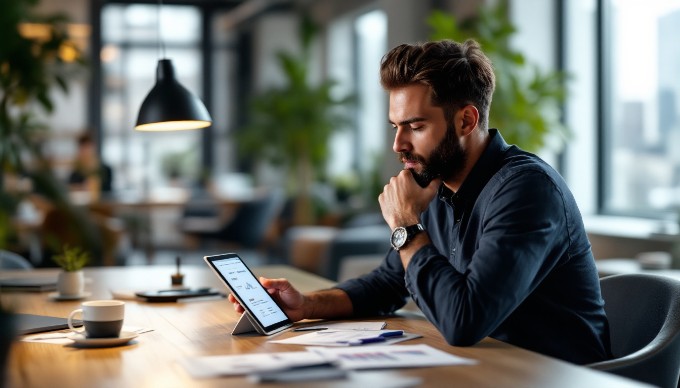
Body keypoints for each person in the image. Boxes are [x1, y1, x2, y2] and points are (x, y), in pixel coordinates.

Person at [229, 39, 612, 365]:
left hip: (552, 375)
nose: (399, 145)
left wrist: (406, 226)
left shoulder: (527, 190)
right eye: (396, 127)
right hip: (482, 367)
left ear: (465, 121)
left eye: (416, 126)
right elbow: (386, 284)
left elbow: (465, 321)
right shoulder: (438, 187)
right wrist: (305, 305)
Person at [68, 132, 113, 198]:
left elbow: (108, 191)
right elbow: (71, 189)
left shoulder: (106, 169)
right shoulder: (76, 172)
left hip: (103, 205)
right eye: (83, 148)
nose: (86, 152)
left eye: (88, 147)